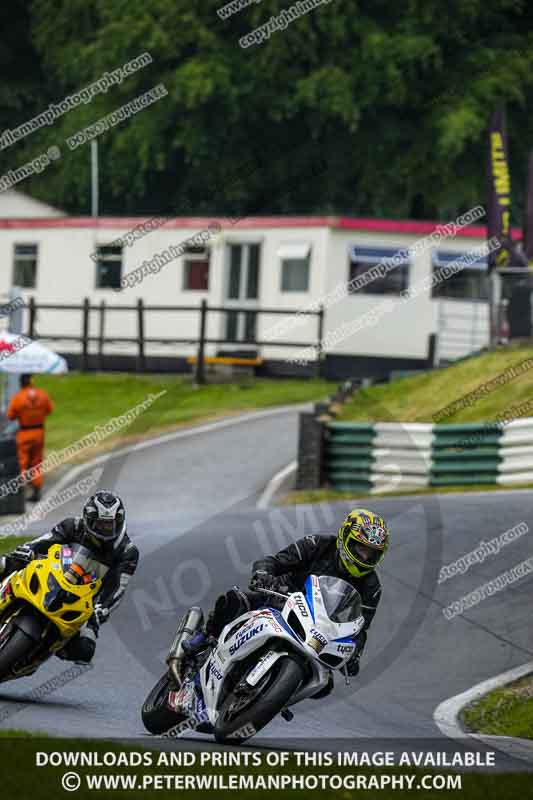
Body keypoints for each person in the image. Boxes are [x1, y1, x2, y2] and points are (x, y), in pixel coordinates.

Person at [184, 508, 389, 681]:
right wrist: (263, 574)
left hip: (319, 630)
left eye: (372, 553)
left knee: (323, 684)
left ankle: (269, 694)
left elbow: (359, 628)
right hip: (280, 599)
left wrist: (355, 654)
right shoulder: (317, 544)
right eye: (360, 549)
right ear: (345, 537)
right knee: (236, 601)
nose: (365, 557)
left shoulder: (372, 587)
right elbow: (274, 561)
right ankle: (204, 638)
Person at [0, 491, 139, 664]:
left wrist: (102, 609)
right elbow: (44, 541)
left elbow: (119, 588)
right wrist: (28, 550)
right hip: (55, 577)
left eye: (109, 525)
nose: (104, 529)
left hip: (86, 602)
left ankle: (46, 649)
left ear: (118, 523)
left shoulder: (128, 552)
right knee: (6, 562)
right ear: (88, 519)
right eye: (99, 524)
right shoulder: (72, 525)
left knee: (85, 649)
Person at [6, 373, 54, 502]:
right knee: (36, 462)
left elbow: (10, 415)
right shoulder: (42, 394)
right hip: (39, 432)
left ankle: (20, 491)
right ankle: (37, 489)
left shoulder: (18, 397)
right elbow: (49, 410)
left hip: (25, 433)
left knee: (22, 462)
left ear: (21, 383)